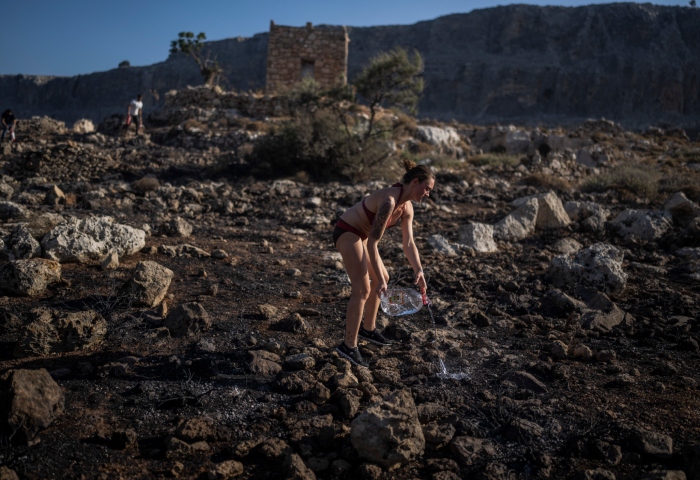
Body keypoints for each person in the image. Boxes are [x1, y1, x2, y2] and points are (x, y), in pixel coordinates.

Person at [333, 159, 435, 367]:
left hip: (361, 235)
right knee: (362, 289)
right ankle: (348, 346)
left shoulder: (407, 209)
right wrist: (378, 278)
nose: (428, 194)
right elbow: (373, 243)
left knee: (384, 278)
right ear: (415, 182)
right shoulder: (389, 201)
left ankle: (368, 330)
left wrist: (420, 271)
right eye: (427, 189)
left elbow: (409, 243)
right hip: (347, 231)